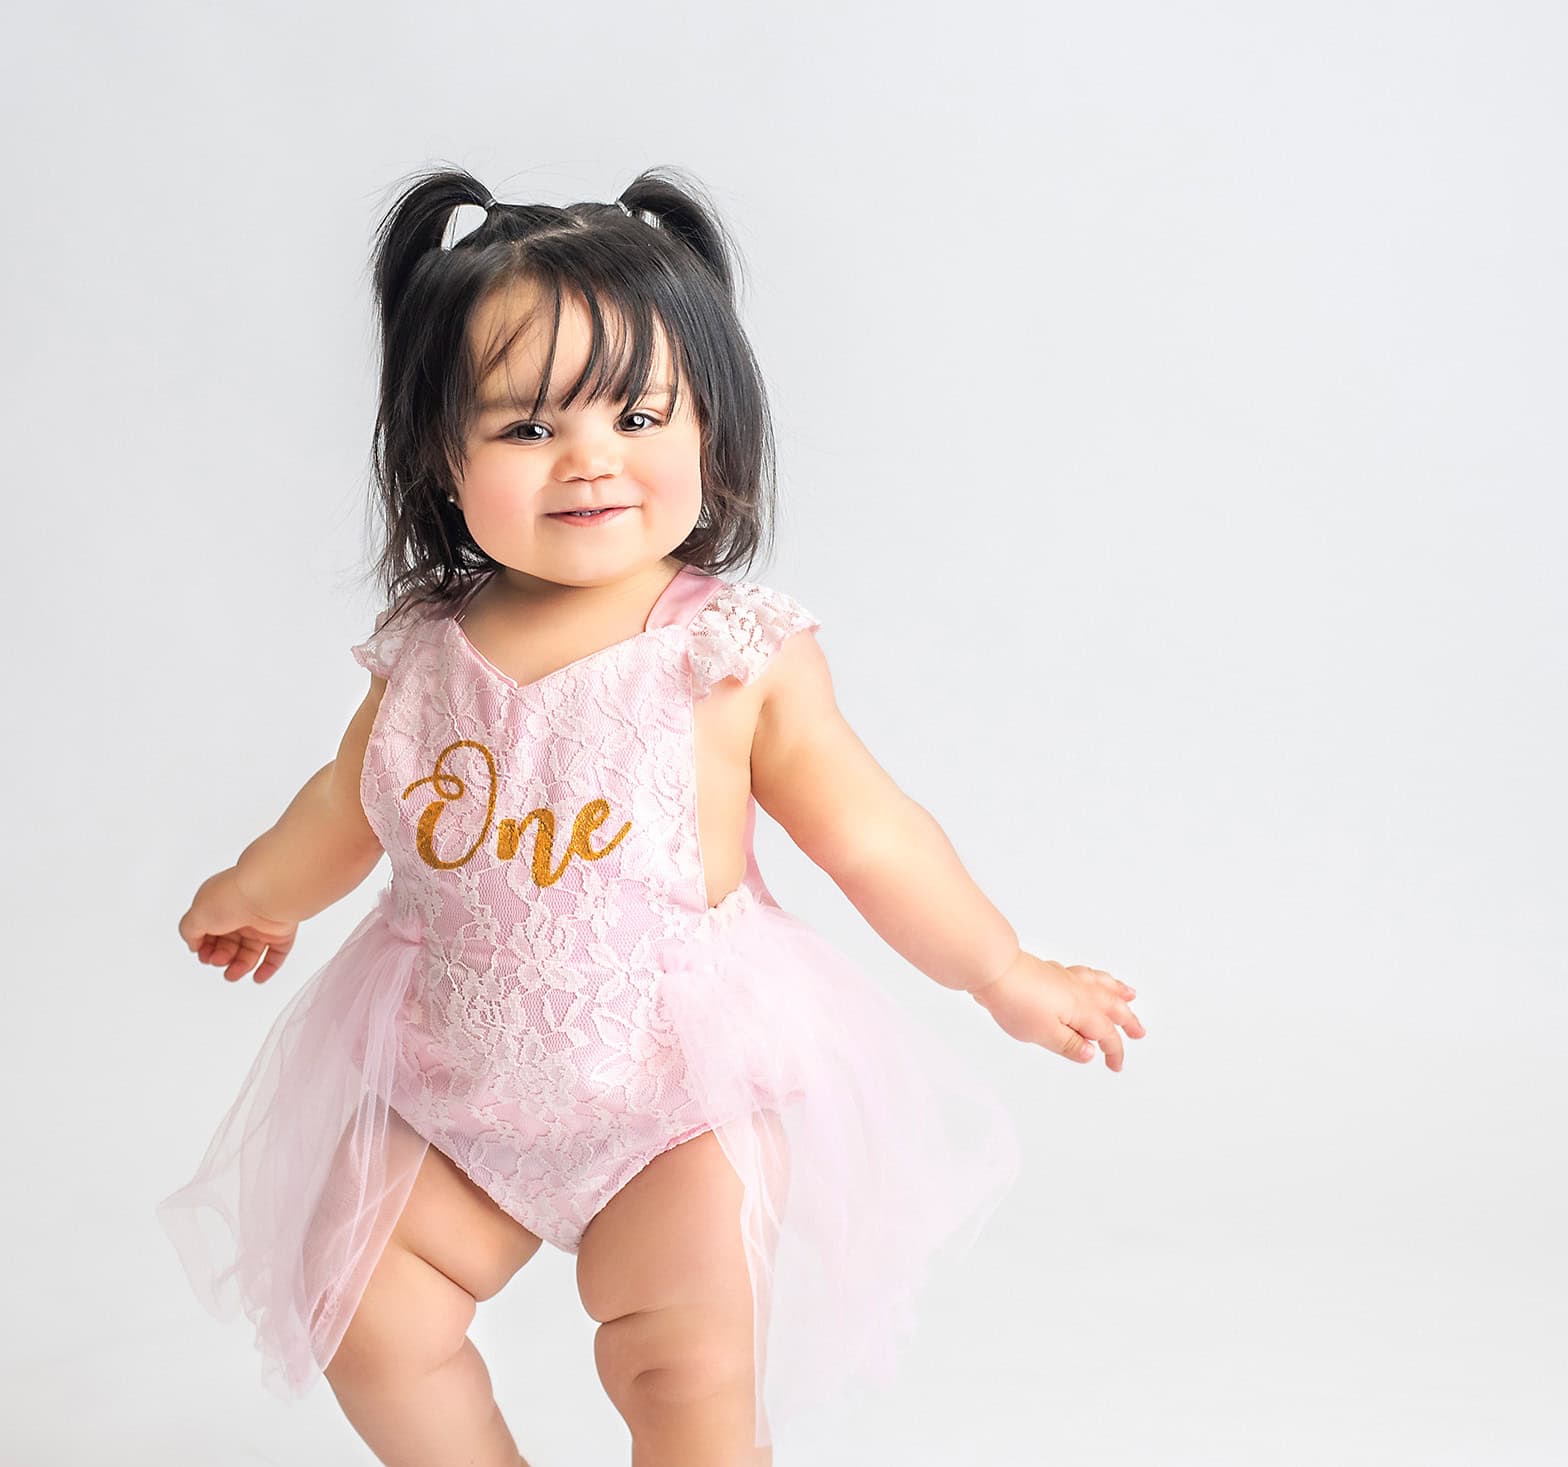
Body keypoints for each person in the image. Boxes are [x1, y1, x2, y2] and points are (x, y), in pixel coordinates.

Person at [156, 164, 1146, 1466]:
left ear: (710, 433)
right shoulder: (425, 654)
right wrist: (257, 891)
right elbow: (352, 805)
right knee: (366, 1314)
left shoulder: (728, 652)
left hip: (679, 1089)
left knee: (680, 1365)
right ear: (440, 456)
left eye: (636, 415)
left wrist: (1003, 970)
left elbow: (870, 834)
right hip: (452, 1075)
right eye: (526, 428)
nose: (590, 460)